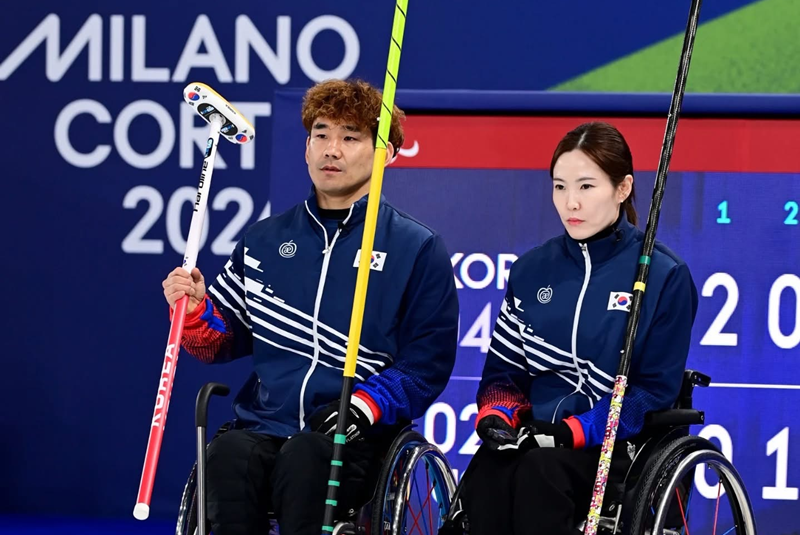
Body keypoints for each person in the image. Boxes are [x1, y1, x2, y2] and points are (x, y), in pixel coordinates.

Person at [161, 79, 459, 535]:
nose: (331, 150)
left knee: (306, 456)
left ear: (386, 154)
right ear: (305, 148)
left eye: (350, 136)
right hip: (264, 424)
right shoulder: (265, 239)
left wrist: (363, 405)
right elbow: (218, 342)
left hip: (355, 437)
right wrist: (197, 311)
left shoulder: (416, 248)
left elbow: (426, 366)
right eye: (320, 134)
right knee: (225, 453)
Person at [460, 121, 698, 535]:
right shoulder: (531, 270)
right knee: (487, 473)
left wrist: (575, 431)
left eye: (586, 187)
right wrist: (496, 416)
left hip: (612, 448)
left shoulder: (664, 275)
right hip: (533, 438)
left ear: (622, 189)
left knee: (540, 474)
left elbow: (652, 392)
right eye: (559, 186)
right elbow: (503, 376)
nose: (571, 202)